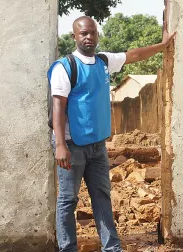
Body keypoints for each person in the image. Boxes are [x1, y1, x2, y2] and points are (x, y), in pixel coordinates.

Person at [48, 16, 176, 252]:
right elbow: (58, 106)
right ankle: (67, 249)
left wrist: (163, 45)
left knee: (102, 196)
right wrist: (59, 146)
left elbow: (134, 55)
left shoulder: (104, 61)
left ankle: (112, 248)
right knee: (68, 201)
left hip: (97, 146)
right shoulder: (64, 67)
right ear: (74, 36)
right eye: (83, 33)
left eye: (92, 33)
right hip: (71, 144)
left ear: (97, 35)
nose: (89, 37)